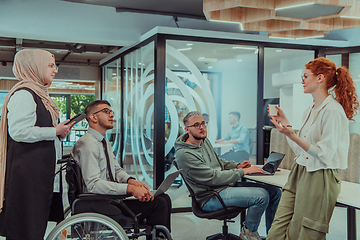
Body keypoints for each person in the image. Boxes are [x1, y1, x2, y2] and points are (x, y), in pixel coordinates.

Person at [266, 57, 359, 240]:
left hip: (321, 176)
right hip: (299, 171)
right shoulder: (310, 109)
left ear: (320, 78)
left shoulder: (332, 111)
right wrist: (287, 128)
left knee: (304, 234)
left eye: (305, 76)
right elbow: (303, 151)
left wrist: (293, 135)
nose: (302, 80)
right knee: (276, 231)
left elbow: (324, 154)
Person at [0, 49, 74, 240]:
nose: (55, 70)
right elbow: (19, 131)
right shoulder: (25, 94)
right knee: (25, 226)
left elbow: (40, 133)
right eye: (50, 65)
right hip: (27, 174)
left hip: (37, 172)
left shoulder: (39, 94)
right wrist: (54, 131)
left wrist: (60, 134)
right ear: (34, 67)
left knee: (34, 223)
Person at [174, 111, 281, 240]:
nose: (202, 127)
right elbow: (213, 178)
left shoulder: (203, 141)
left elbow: (219, 161)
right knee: (261, 196)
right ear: (187, 129)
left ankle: (273, 236)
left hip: (225, 186)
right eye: (196, 125)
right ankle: (249, 234)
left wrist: (237, 166)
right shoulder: (184, 154)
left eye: (203, 123)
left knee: (274, 191)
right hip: (210, 196)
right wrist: (243, 172)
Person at [71, 100, 171, 236]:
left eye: (111, 111)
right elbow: (93, 185)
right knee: (159, 203)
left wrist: (131, 181)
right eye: (106, 111)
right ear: (93, 117)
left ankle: (158, 237)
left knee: (163, 198)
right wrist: (129, 189)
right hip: (99, 203)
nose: (112, 115)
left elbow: (116, 171)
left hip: (110, 199)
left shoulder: (104, 142)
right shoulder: (87, 144)